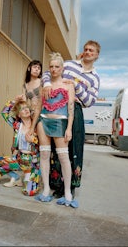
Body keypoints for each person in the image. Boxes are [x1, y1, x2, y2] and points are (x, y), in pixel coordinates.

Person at [42, 40, 101, 198]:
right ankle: (55, 184)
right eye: (86, 49)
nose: (88, 52)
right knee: (56, 149)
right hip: (55, 108)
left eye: (91, 51)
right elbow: (49, 72)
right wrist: (47, 84)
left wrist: (75, 85)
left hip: (75, 109)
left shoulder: (95, 78)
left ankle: (70, 187)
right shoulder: (68, 64)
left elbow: (89, 101)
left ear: (96, 55)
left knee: (74, 149)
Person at [27, 52, 78, 208]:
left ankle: (68, 192)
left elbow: (71, 108)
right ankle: (46, 189)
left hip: (60, 122)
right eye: (51, 66)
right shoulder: (45, 84)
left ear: (62, 68)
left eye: (57, 66)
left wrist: (69, 128)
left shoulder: (69, 84)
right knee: (44, 154)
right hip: (43, 120)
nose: (54, 69)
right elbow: (39, 106)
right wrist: (32, 126)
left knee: (63, 157)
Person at [0, 100, 40, 196]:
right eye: (22, 109)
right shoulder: (17, 125)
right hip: (18, 160)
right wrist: (15, 100)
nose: (26, 110)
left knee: (28, 192)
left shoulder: (37, 124)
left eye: (26, 107)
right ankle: (16, 178)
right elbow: (4, 113)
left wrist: (34, 140)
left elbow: (45, 144)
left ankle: (27, 178)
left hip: (32, 164)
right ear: (19, 114)